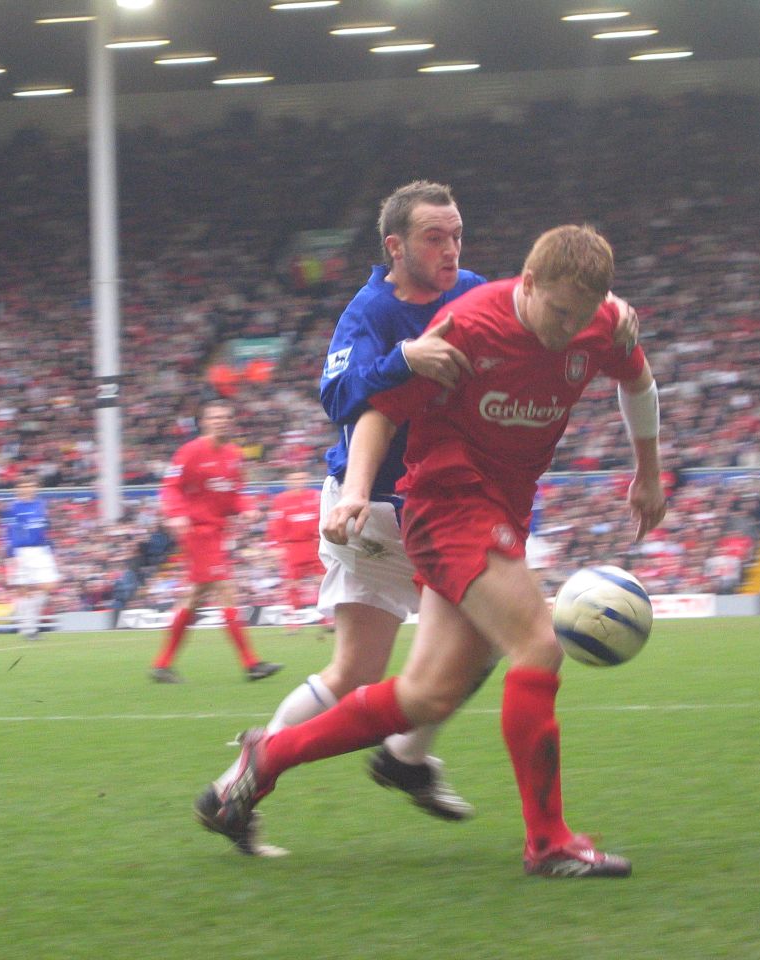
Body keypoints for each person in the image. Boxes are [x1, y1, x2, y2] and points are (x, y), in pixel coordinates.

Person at [198, 224, 666, 878]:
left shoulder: (601, 321)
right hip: (447, 503)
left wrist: (648, 471)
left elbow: (638, 381)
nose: (569, 328)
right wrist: (356, 491)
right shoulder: (467, 329)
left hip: (503, 509)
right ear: (528, 285)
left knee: (427, 696)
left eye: (583, 315)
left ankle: (266, 760)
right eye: (559, 312)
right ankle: (549, 843)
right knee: (538, 642)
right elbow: (379, 411)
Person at [150, 399, 283, 683]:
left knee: (195, 598)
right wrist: (175, 515)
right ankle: (251, 664)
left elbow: (235, 492)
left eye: (225, 417)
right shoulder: (190, 452)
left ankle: (161, 665)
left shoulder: (233, 455)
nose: (221, 421)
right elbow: (170, 487)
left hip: (217, 533)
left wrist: (247, 508)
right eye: (215, 417)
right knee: (225, 590)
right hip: (198, 533)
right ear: (204, 422)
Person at [264, 469, 326, 633]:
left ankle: (326, 618)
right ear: (288, 481)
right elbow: (275, 525)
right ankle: (293, 621)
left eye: (301, 477)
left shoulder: (316, 496)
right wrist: (275, 546)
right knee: (292, 584)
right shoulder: (280, 500)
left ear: (307, 479)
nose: (298, 481)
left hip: (314, 544)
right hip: (292, 546)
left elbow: (324, 517)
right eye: (295, 478)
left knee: (322, 581)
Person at [2, 477, 59, 639]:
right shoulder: (12, 508)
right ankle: (29, 629)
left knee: (49, 585)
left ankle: (27, 624)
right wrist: (12, 553)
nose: (28, 489)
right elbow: (9, 531)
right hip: (22, 551)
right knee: (25, 591)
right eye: (25, 486)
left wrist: (50, 545)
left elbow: (45, 527)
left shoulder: (41, 504)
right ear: (18, 489)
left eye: (32, 485)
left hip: (41, 551)